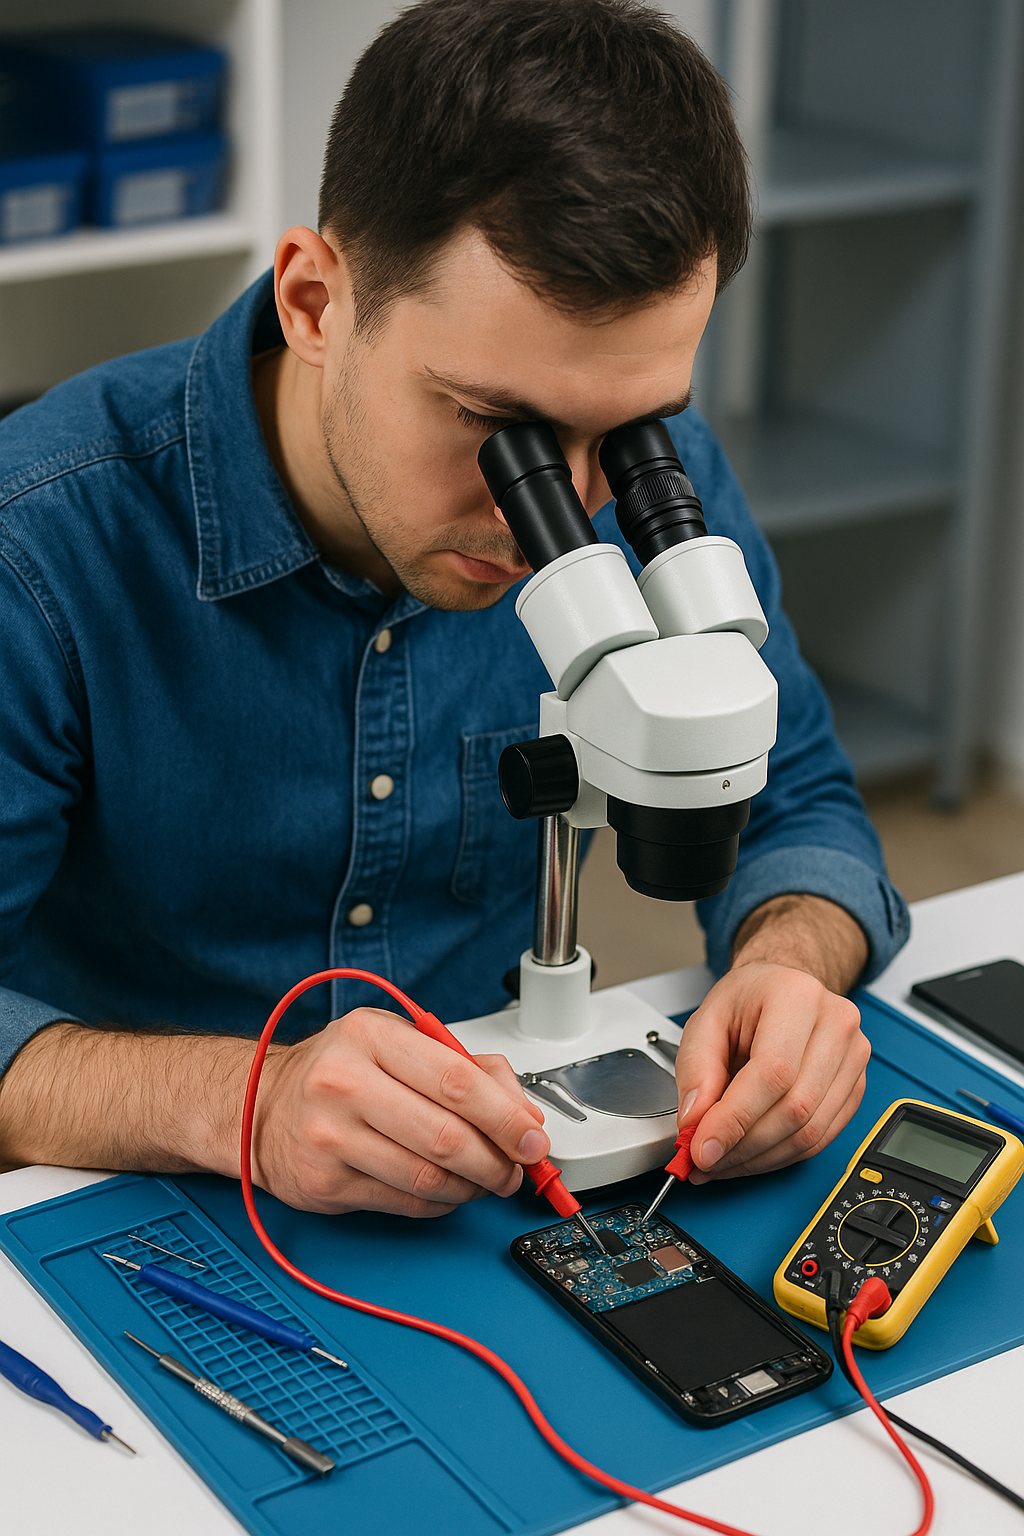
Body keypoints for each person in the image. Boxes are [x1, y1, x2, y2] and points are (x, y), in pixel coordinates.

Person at [0, 0, 907, 1215]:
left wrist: (790, 969)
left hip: (489, 1178)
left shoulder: (654, 494)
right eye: (495, 426)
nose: (566, 509)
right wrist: (246, 1103)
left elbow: (799, 800)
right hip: (149, 1198)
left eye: (624, 433)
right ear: (315, 302)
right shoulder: (45, 544)